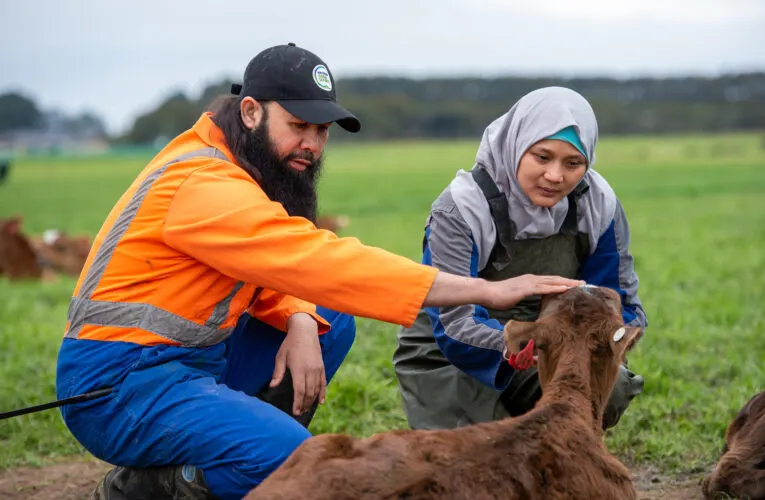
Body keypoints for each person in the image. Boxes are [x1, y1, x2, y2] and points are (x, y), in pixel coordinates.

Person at [55, 44, 583, 500]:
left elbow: (272, 270)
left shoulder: (241, 169)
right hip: (119, 383)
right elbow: (318, 260)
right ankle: (152, 487)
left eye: (322, 130)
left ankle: (237, 450)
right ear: (250, 113)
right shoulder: (204, 183)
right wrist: (484, 290)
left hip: (192, 362)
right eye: (298, 125)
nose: (312, 143)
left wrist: (302, 320)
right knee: (290, 459)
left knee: (327, 317)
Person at [393, 87, 647, 432]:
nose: (556, 176)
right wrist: (514, 342)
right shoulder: (462, 207)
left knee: (610, 391)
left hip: (550, 340)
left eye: (573, 163)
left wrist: (586, 344)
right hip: (450, 351)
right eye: (542, 157)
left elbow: (620, 300)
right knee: (480, 459)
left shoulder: (597, 202)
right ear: (516, 144)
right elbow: (452, 324)